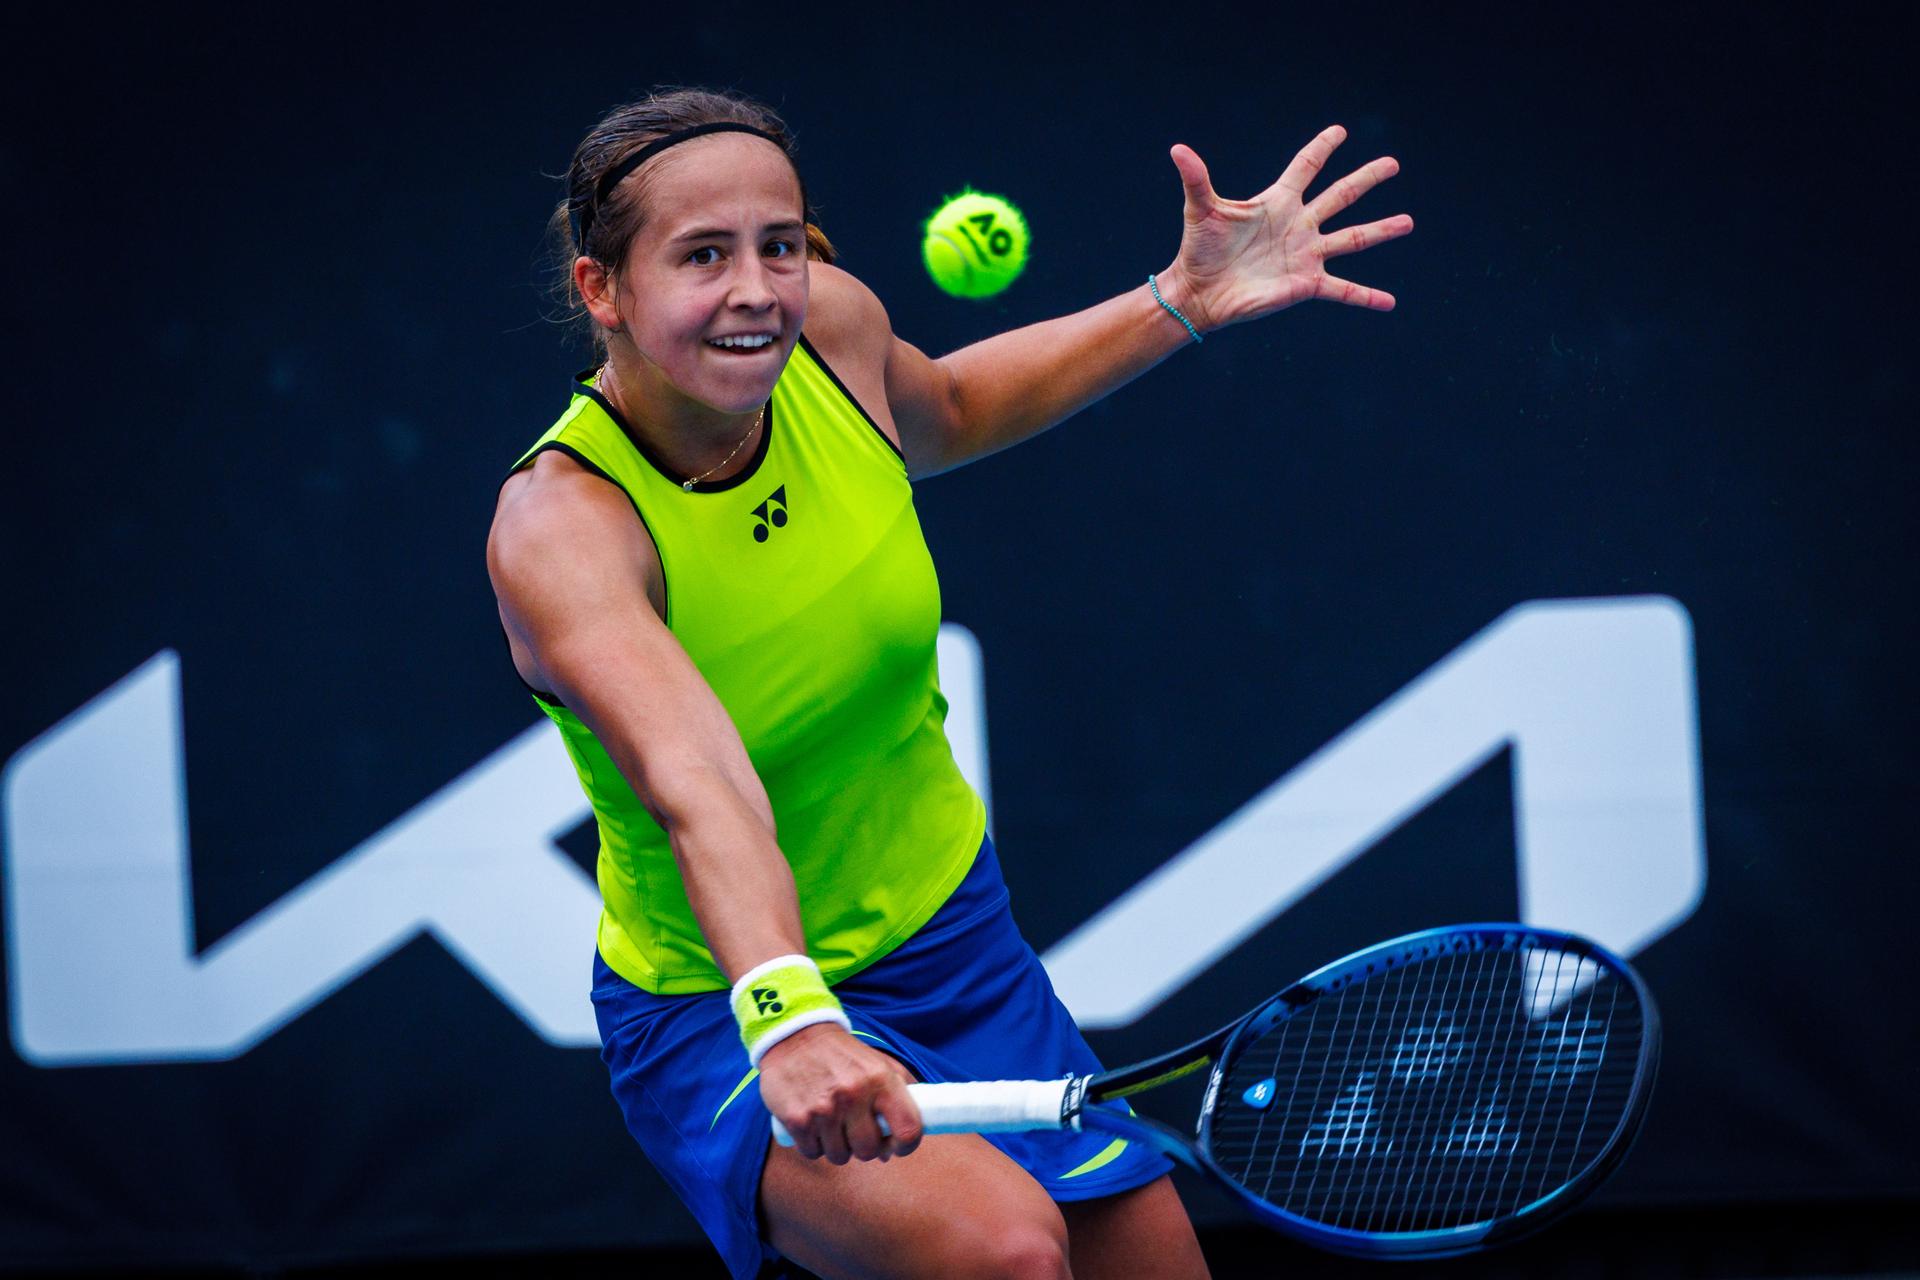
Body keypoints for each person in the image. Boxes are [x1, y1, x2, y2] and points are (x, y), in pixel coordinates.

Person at [487, 87, 1410, 1280]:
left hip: (953, 940)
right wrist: (793, 1015)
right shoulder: (563, 524)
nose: (757, 289)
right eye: (702, 255)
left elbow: (958, 406)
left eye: (779, 244)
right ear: (601, 288)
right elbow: (695, 778)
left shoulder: (833, 338)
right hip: (725, 997)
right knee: (1007, 1254)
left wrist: (1179, 300)